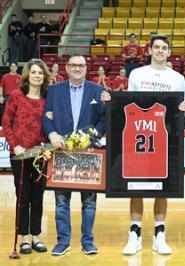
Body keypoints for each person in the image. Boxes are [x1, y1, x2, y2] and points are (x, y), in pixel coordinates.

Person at [117, 35, 185, 256]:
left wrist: (184, 108)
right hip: (140, 134)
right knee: (136, 186)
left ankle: (160, 234)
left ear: (169, 52)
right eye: (156, 47)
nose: (160, 51)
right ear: (149, 50)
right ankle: (135, 234)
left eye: (164, 48)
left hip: (165, 137)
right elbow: (129, 104)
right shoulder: (137, 74)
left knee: (163, 185)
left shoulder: (178, 78)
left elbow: (179, 110)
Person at [42, 54, 107, 256]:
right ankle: (63, 241)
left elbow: (104, 118)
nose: (77, 68)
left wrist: (91, 136)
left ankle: (88, 241)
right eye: (73, 65)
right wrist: (52, 133)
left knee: (89, 203)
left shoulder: (98, 91)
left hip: (88, 151)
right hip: (62, 151)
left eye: (81, 65)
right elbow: (45, 115)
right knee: (61, 202)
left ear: (87, 68)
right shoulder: (54, 90)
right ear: (67, 68)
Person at [2, 59, 52, 255]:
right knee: (22, 198)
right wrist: (16, 146)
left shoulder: (49, 98)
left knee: (38, 197)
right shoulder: (16, 96)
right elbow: (6, 123)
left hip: (41, 154)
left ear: (44, 76)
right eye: (34, 72)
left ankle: (36, 236)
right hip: (20, 155)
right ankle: (23, 238)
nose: (37, 76)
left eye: (40, 73)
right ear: (27, 75)